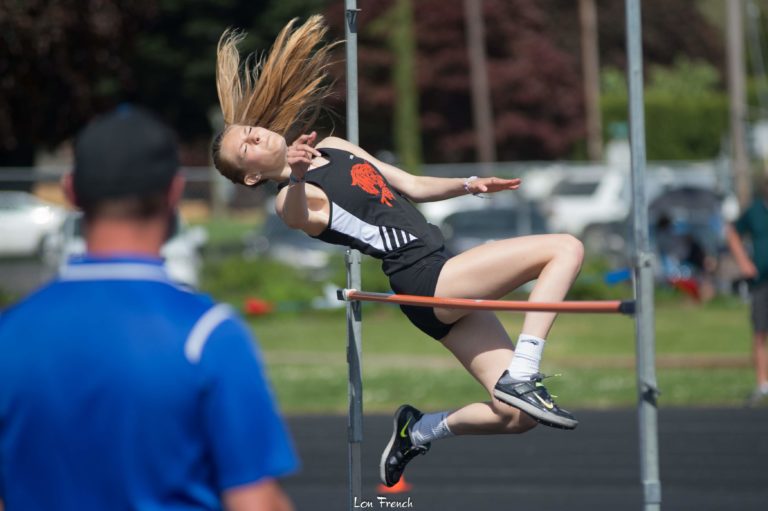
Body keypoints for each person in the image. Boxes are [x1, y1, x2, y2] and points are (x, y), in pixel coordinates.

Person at [211, 16, 584, 488]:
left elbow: (408, 184)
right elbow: (301, 212)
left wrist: (469, 185)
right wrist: (299, 174)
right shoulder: (290, 199)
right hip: (424, 279)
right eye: (245, 147)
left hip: (440, 277)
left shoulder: (334, 145)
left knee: (516, 416)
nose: (255, 136)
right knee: (564, 248)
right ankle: (525, 370)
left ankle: (419, 429)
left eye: (250, 130)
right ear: (250, 176)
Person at [0, 107, 298, 510]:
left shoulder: (11, 334)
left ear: (71, 191)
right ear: (175, 192)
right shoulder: (207, 335)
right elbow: (254, 500)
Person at [725, 179, 768, 407]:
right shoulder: (755, 212)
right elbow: (732, 232)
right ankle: (762, 385)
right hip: (761, 281)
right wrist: (743, 262)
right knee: (760, 331)